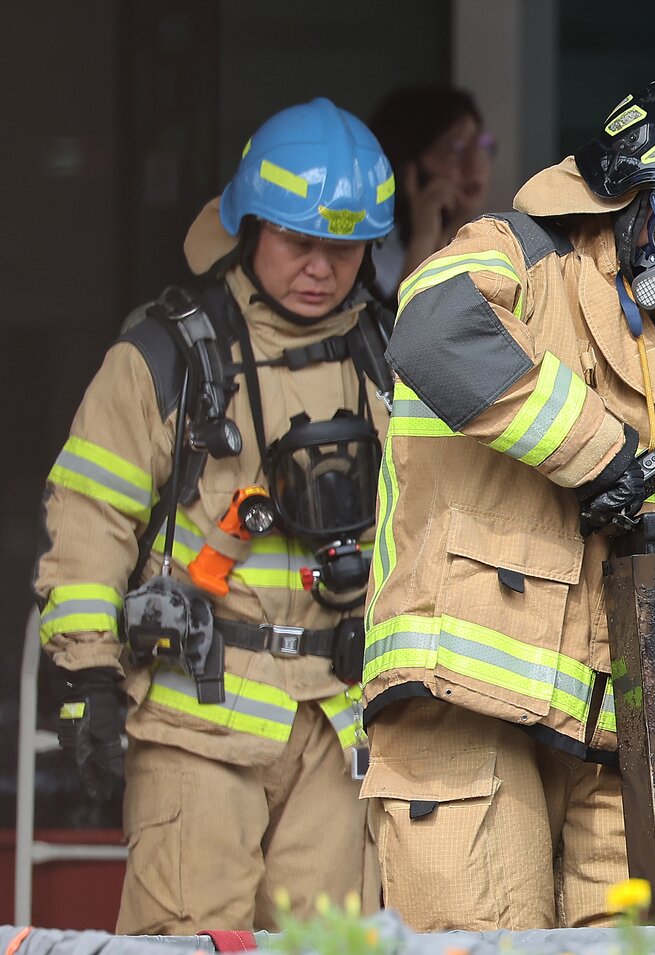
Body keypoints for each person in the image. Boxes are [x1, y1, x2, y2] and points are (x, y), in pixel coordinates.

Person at [361, 74, 655, 931]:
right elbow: (434, 330)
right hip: (467, 708)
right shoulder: (511, 251)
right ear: (628, 189)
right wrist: (602, 453)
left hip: (613, 744)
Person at [35, 98, 396, 932]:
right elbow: (88, 518)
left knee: (328, 950)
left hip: (338, 726)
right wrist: (88, 677)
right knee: (187, 940)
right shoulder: (167, 358)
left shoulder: (391, 358)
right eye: (299, 242)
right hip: (197, 720)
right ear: (249, 227)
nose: (321, 268)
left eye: (344, 248)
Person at [368, 86, 494, 302]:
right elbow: (401, 321)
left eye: (480, 145)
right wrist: (424, 238)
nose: (475, 165)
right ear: (408, 171)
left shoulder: (491, 245)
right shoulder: (373, 258)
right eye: (454, 148)